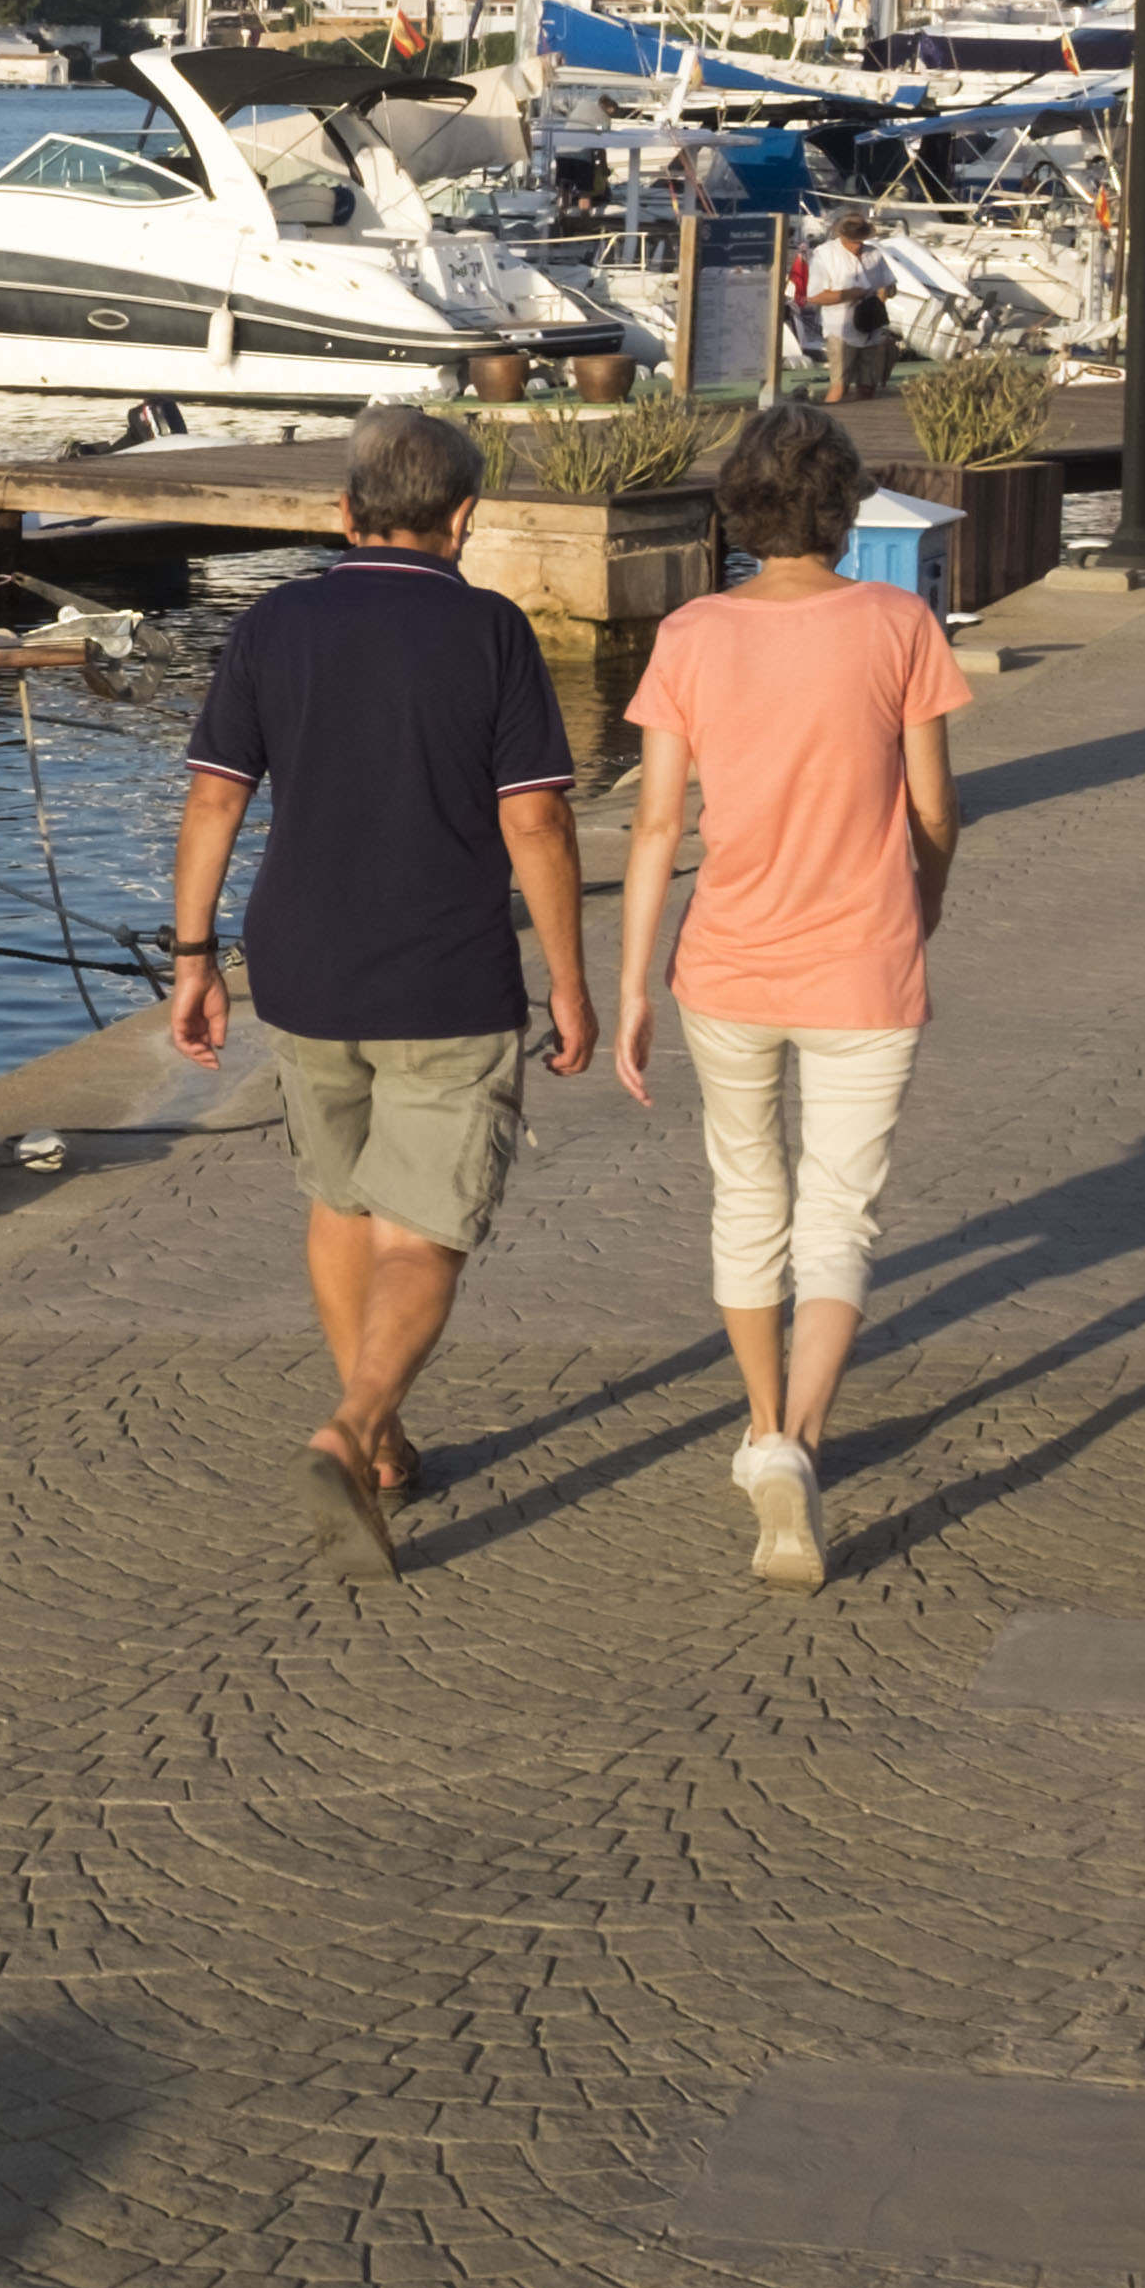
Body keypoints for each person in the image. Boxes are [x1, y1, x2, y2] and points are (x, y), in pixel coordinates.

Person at [167, 405, 593, 1582]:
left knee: (341, 1201)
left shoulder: (270, 624)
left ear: (341, 514)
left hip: (299, 969)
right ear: (462, 520)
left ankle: (388, 1439)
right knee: (426, 1228)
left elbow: (213, 801)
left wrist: (192, 957)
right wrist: (568, 981)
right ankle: (350, 1431)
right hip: (443, 972)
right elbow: (536, 820)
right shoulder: (490, 632)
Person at [607, 399, 968, 1591]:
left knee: (745, 1197)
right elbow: (930, 811)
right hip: (864, 961)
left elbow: (657, 821)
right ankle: (794, 1447)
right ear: (843, 505)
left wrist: (632, 987)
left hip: (725, 964)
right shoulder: (898, 621)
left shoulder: (691, 633)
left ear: (738, 509)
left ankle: (760, 1426)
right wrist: (923, 897)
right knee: (840, 1213)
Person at [799, 213, 895, 399]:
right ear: (842, 236)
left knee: (868, 386)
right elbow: (815, 296)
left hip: (872, 326)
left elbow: (890, 285)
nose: (857, 245)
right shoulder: (825, 255)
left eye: (860, 240)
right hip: (841, 330)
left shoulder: (873, 254)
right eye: (853, 240)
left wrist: (887, 290)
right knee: (839, 386)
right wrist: (851, 294)